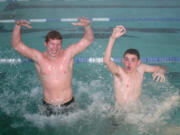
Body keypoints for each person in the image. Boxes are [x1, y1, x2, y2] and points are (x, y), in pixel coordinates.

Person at [11, 17, 94, 116]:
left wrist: (87, 26)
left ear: (61, 45)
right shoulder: (39, 58)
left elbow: (88, 40)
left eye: (58, 45)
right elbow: (17, 45)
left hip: (69, 104)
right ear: (45, 44)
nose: (55, 48)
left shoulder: (68, 54)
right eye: (52, 44)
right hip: (48, 106)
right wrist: (17, 26)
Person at [103, 25, 166, 106]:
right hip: (119, 114)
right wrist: (112, 38)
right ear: (123, 61)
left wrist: (161, 72)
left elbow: (162, 67)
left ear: (138, 62)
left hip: (135, 112)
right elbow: (106, 61)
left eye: (133, 60)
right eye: (126, 59)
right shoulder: (119, 73)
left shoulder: (141, 69)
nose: (129, 63)